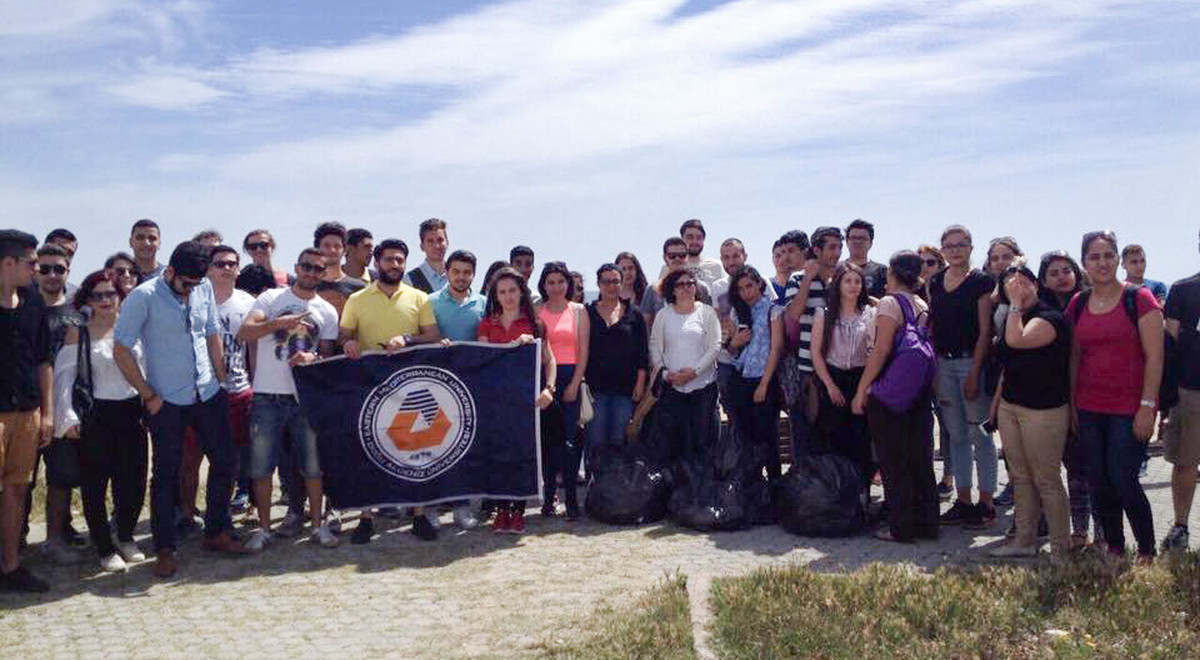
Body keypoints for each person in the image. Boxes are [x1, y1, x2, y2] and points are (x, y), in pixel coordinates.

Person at [113, 241, 247, 578]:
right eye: (186, 283)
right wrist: (147, 394)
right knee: (166, 475)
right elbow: (121, 348)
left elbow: (212, 333)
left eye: (196, 283)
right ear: (170, 271)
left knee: (225, 462)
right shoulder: (143, 297)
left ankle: (216, 531)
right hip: (166, 400)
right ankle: (165, 548)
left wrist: (220, 378)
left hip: (208, 392)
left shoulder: (203, 288)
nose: (191, 289)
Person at [1068, 230, 1163, 561]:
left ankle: (1147, 550)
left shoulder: (1139, 299)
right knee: (1098, 480)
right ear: (1084, 263)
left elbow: (1155, 357)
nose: (1102, 263)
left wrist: (1148, 407)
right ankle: (1115, 547)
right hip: (1089, 406)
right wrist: (1072, 405)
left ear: (1117, 259)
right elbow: (1075, 358)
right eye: (1094, 257)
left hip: (1130, 407)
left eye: (1108, 255)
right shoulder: (1078, 304)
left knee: (1124, 479)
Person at [237, 247, 341, 552]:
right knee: (261, 467)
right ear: (297, 267)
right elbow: (246, 332)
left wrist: (313, 357)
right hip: (267, 395)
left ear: (324, 273)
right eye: (306, 266)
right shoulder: (271, 298)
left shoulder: (327, 310)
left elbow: (327, 355)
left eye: (317, 269)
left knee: (313, 467)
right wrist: (278, 324)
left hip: (304, 397)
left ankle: (318, 526)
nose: (311, 273)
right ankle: (264, 529)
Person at [339, 239, 441, 543]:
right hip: (370, 386)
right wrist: (348, 342)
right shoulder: (357, 299)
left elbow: (432, 335)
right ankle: (366, 518)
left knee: (415, 449)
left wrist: (407, 340)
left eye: (399, 260)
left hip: (410, 384)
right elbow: (344, 335)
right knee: (368, 450)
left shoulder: (419, 297)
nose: (394, 265)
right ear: (377, 262)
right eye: (388, 260)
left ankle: (418, 515)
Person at [53, 271, 148, 572]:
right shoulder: (78, 332)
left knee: (132, 482)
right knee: (95, 485)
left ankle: (125, 536)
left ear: (121, 296)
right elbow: (64, 377)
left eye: (111, 294)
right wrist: (67, 416)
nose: (105, 300)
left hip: (133, 412)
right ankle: (104, 548)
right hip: (96, 414)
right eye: (98, 295)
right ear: (87, 300)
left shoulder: (134, 328)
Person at [852, 251, 938, 543]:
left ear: (892, 273)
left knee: (893, 460)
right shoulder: (921, 303)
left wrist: (863, 389)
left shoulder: (891, 303)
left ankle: (901, 526)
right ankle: (927, 522)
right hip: (918, 390)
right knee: (920, 458)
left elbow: (882, 350)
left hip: (890, 390)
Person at [988, 264, 1072, 557]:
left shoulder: (1049, 317)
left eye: (1023, 282)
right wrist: (996, 405)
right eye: (1010, 284)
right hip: (1012, 405)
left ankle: (1061, 549)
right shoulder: (1013, 316)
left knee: (1046, 479)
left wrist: (1013, 303)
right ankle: (1024, 540)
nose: (1017, 287)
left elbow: (1018, 340)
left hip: (1044, 411)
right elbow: (1006, 363)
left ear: (1036, 285)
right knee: (1021, 477)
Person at [476, 267, 555, 533]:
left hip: (527, 403)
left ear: (522, 292)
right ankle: (501, 510)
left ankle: (518, 511)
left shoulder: (536, 325)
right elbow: (483, 359)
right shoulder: (487, 324)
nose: (508, 296)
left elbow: (550, 360)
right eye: (502, 292)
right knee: (498, 455)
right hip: (497, 402)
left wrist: (549, 389)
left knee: (523, 455)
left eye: (512, 290)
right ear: (495, 296)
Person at [929, 225, 997, 529]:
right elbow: (933, 324)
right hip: (943, 363)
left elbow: (985, 330)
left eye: (961, 244)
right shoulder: (936, 282)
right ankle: (964, 500)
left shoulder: (981, 282)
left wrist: (975, 371)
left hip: (971, 361)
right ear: (943, 250)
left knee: (980, 434)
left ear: (971, 247)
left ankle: (986, 503)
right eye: (949, 245)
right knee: (956, 435)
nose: (955, 250)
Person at [0, 229, 53, 592]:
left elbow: (43, 359)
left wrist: (47, 413)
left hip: (28, 411)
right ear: (8, 263)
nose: (37, 269)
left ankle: (11, 565)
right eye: (32, 263)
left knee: (17, 489)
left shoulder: (33, 301)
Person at [28, 243, 86, 565]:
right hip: (24, 406)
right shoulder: (21, 308)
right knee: (19, 481)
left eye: (59, 269)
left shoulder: (78, 315)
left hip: (63, 407)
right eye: (45, 268)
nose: (52, 275)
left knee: (61, 478)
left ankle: (55, 539)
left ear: (68, 271)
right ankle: (15, 542)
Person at [1038, 251, 1097, 547]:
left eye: (1066, 270)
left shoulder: (1092, 302)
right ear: (1044, 281)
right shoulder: (1039, 310)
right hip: (1053, 396)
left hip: (1091, 392)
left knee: (1094, 470)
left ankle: (1102, 534)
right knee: (1071, 468)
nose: (1061, 277)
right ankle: (1078, 531)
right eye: (1054, 273)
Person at [428, 249, 487, 529]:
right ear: (447, 272)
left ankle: (461, 507)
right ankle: (430, 507)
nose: (461, 277)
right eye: (456, 271)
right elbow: (425, 336)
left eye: (467, 272)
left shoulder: (484, 303)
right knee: (433, 446)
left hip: (469, 387)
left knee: (462, 447)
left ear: (473, 275)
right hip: (435, 384)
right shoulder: (430, 302)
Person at [810, 263, 875, 485]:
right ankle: (837, 492)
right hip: (833, 379)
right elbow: (816, 353)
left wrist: (863, 390)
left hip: (860, 379)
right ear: (838, 284)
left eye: (857, 281)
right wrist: (829, 385)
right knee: (834, 439)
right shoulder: (824, 314)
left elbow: (874, 353)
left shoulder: (870, 314)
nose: (853, 286)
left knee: (861, 439)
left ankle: (862, 492)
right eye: (848, 281)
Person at [649, 268, 722, 465]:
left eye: (690, 283)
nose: (686, 288)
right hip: (672, 388)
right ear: (672, 290)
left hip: (703, 387)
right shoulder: (663, 315)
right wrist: (666, 374)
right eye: (680, 285)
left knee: (703, 441)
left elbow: (715, 346)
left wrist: (694, 372)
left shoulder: (706, 312)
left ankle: (703, 481)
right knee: (675, 442)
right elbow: (655, 345)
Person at [535, 262, 590, 520]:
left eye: (560, 282)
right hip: (544, 380)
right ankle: (548, 499)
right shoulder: (537, 310)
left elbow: (584, 351)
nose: (556, 287)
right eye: (551, 282)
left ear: (568, 284)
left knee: (570, 442)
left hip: (570, 378)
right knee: (548, 443)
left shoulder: (578, 311)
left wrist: (575, 384)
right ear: (543, 285)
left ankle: (572, 500)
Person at [783, 226, 842, 459]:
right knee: (807, 432)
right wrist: (808, 279)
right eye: (831, 247)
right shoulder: (797, 279)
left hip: (839, 365)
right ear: (816, 250)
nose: (837, 253)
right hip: (808, 367)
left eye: (839, 247)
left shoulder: (844, 277)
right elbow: (793, 314)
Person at [585, 264, 648, 468]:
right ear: (598, 284)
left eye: (615, 281)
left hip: (625, 389)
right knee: (596, 440)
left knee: (619, 439)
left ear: (621, 283)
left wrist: (640, 384)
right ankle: (597, 481)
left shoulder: (634, 314)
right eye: (606, 281)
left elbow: (643, 352)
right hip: (595, 388)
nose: (611, 286)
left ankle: (616, 482)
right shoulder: (587, 313)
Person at [726, 265, 784, 482]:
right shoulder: (737, 312)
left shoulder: (773, 311)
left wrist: (764, 384)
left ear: (759, 284)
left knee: (768, 438)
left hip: (763, 379)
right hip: (740, 378)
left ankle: (775, 487)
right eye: (741, 289)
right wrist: (735, 342)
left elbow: (776, 349)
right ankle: (752, 487)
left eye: (749, 286)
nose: (746, 292)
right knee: (745, 438)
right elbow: (731, 350)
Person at [1162, 236, 1200, 551]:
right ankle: (1181, 526)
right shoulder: (1183, 289)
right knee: (1186, 461)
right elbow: (1170, 343)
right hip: (1190, 390)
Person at [985, 237, 1024, 509]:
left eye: (1006, 256)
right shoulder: (994, 293)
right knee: (1009, 436)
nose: (1000, 262)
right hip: (1000, 368)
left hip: (1023, 370)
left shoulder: (1024, 286)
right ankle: (1014, 485)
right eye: (995, 258)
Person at [918, 245, 954, 500]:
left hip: (944, 364)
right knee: (923, 424)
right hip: (919, 367)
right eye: (920, 263)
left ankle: (948, 477)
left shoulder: (948, 292)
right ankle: (926, 477)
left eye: (931, 262)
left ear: (941, 265)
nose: (925, 268)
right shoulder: (912, 293)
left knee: (948, 423)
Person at [641, 237, 712, 327]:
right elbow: (644, 324)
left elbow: (710, 323)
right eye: (672, 256)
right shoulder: (653, 289)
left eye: (682, 255)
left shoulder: (702, 288)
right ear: (665, 258)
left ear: (687, 257)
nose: (677, 259)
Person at [313, 221, 365, 316]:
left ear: (345, 250)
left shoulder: (359, 288)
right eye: (326, 245)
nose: (332, 250)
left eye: (337, 246)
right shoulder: (307, 285)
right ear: (317, 249)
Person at [656, 219, 724, 285]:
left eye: (699, 238)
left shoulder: (716, 266)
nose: (694, 242)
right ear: (682, 239)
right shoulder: (668, 268)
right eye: (690, 237)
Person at [844, 219, 887, 299]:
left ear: (871, 243)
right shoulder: (838, 269)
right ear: (847, 242)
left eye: (862, 238)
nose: (857, 242)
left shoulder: (882, 271)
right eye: (853, 238)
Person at [404, 218, 449, 294]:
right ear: (422, 246)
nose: (437, 246)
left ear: (447, 242)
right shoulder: (409, 280)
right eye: (430, 241)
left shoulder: (458, 276)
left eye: (440, 240)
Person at [43, 229, 79, 298]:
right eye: (60, 250)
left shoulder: (74, 296)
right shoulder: (23, 286)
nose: (65, 257)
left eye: (70, 253)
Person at [129, 219, 164, 283]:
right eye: (140, 238)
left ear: (159, 243)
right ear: (131, 242)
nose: (146, 243)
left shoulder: (167, 276)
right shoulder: (120, 276)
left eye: (152, 238)